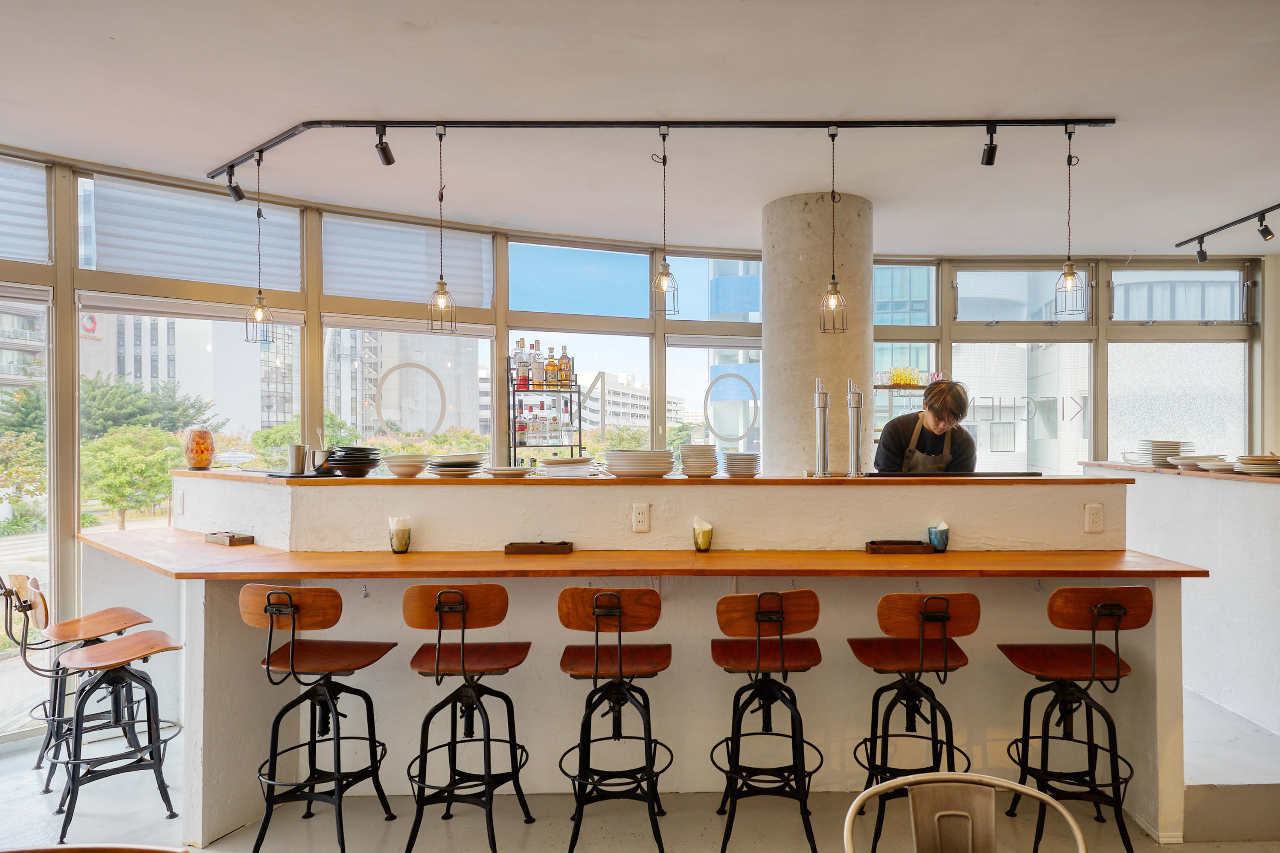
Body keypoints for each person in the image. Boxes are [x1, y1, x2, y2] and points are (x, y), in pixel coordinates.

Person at [874, 380, 977, 473]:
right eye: (938, 418)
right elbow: (887, 480)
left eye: (951, 421)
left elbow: (959, 485)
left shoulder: (963, 442)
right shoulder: (896, 431)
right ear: (925, 404)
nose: (943, 425)